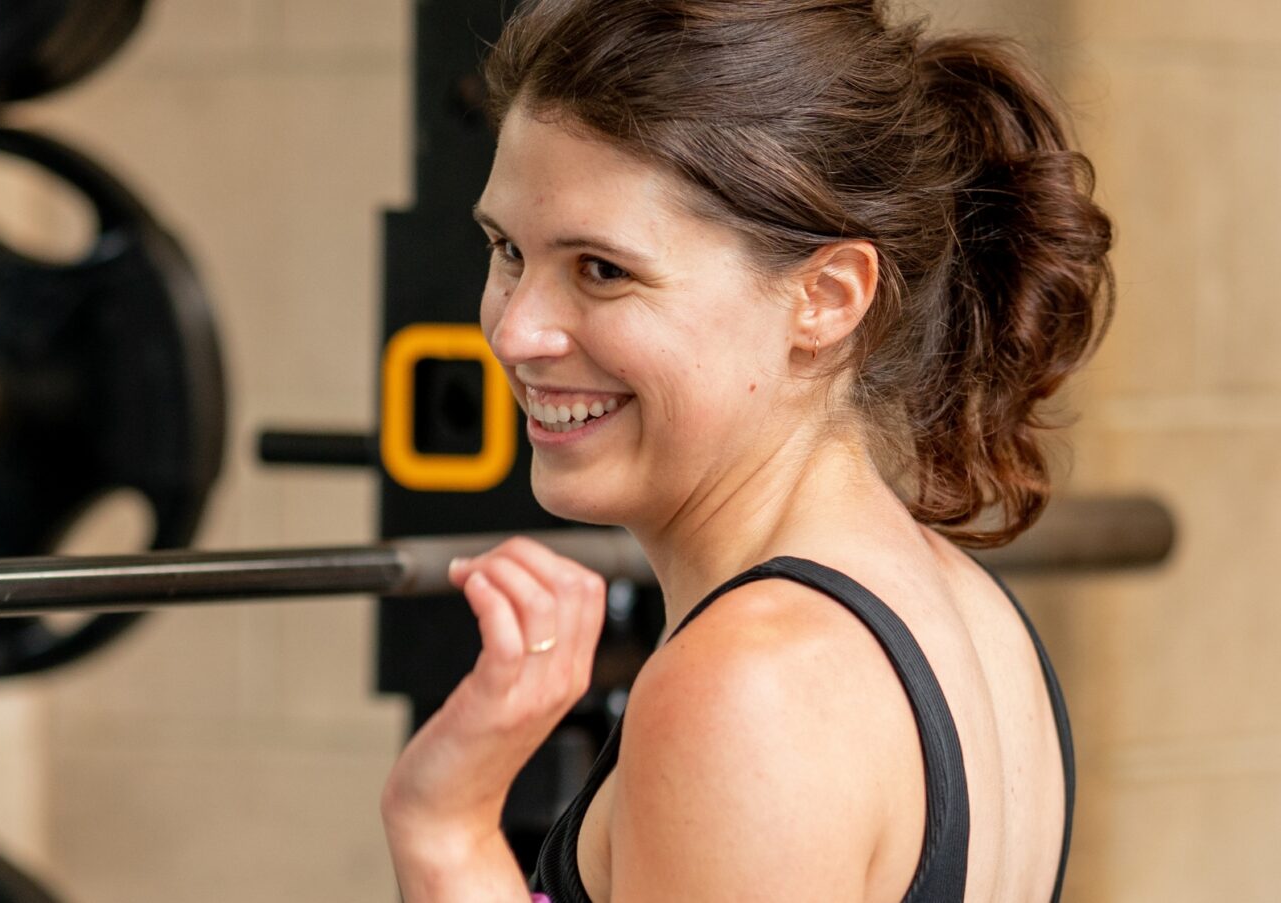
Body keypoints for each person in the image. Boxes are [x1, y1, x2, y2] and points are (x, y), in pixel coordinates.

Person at [376, 0, 1113, 900]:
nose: (517, 331)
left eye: (602, 270)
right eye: (506, 251)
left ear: (828, 297)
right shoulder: (970, 611)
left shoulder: (746, 691)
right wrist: (441, 815)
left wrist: (448, 834)